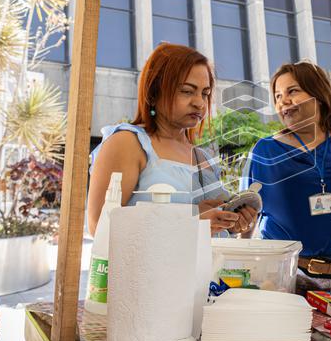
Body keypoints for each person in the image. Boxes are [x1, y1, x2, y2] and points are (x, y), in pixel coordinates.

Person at [87, 43, 257, 236]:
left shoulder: (203, 156)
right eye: (186, 91)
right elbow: (99, 227)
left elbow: (210, 230)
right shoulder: (128, 143)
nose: (199, 102)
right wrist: (191, 221)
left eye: (205, 93)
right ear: (153, 93)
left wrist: (232, 223)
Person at [243, 62, 331, 267]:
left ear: (318, 95)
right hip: (283, 275)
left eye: (292, 91)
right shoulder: (264, 151)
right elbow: (247, 219)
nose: (284, 101)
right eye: (277, 96)